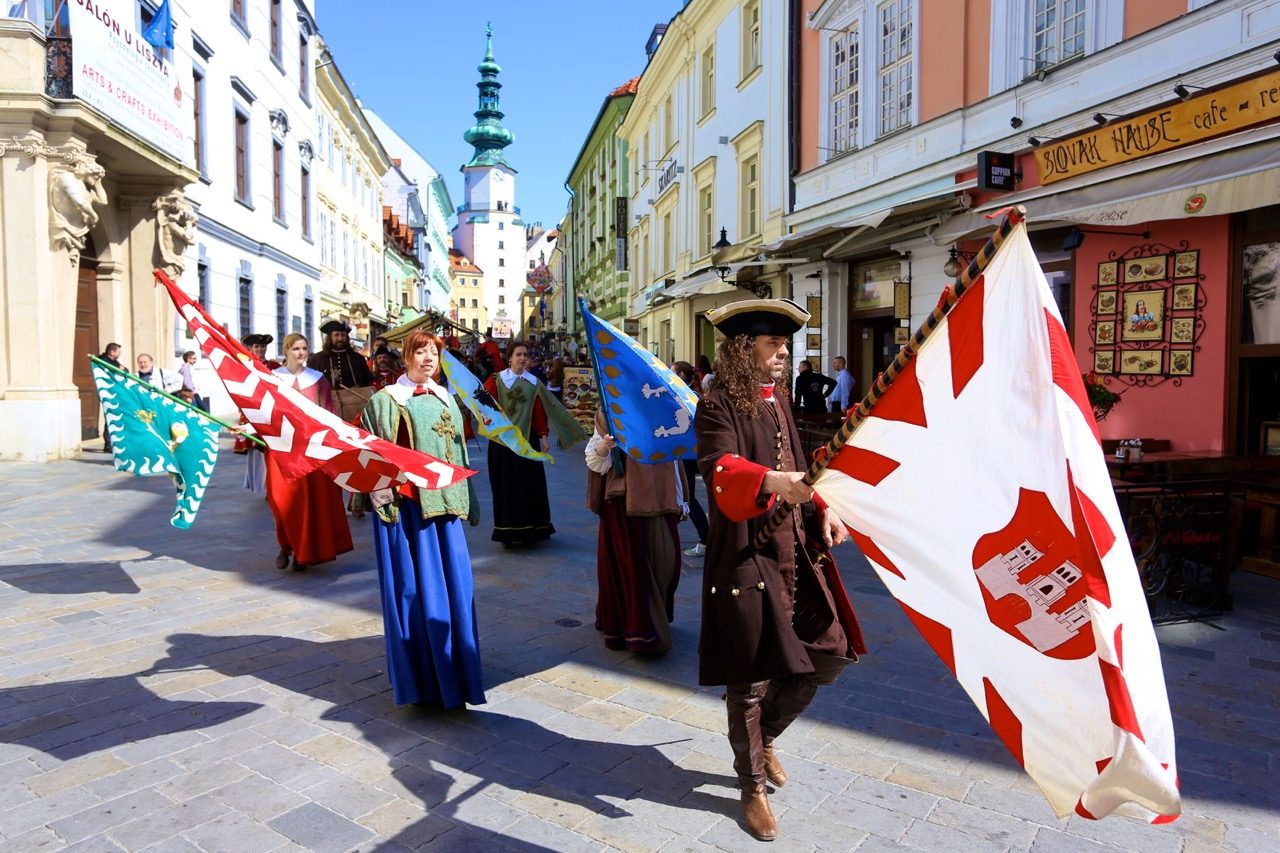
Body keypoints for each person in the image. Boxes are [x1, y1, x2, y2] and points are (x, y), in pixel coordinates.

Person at [697, 298, 865, 842]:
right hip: (746, 553)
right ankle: (752, 789)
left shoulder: (778, 403)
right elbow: (720, 468)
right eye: (773, 345)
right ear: (746, 350)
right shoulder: (717, 404)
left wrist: (823, 507)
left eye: (784, 345)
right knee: (748, 679)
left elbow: (802, 469)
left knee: (829, 655)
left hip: (795, 550)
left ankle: (764, 737)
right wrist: (773, 482)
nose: (783, 354)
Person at [358, 330, 486, 709]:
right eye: (421, 352)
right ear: (406, 356)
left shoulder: (446, 397)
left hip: (445, 512)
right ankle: (425, 681)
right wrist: (383, 499)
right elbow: (365, 452)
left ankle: (457, 670)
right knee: (415, 590)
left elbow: (461, 455)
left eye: (434, 353)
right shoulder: (385, 401)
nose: (428, 359)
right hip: (410, 513)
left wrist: (469, 501)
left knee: (456, 588)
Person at [585, 408, 687, 654]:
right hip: (623, 504)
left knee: (667, 564)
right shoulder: (611, 408)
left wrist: (680, 496)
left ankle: (654, 617)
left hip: (661, 499)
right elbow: (596, 459)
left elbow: (673, 457)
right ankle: (634, 630)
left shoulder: (664, 406)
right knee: (629, 568)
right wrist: (604, 448)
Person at [482, 339, 587, 546]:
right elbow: (483, 405)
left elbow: (540, 411)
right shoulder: (496, 380)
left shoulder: (533, 382)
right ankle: (507, 532)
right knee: (506, 486)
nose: (522, 358)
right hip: (503, 442)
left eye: (525, 355)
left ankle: (534, 529)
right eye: (518, 355)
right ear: (509, 358)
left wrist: (544, 435)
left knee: (530, 485)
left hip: (527, 440)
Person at [266, 333, 353, 571]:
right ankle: (285, 545)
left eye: (304, 348)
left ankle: (303, 551)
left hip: (311, 449)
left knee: (309, 503)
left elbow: (328, 413)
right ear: (286, 350)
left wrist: (336, 438)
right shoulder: (272, 379)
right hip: (281, 450)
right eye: (296, 348)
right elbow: (264, 413)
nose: (301, 353)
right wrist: (245, 426)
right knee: (281, 501)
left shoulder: (318, 380)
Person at [672, 361, 710, 558]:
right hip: (690, 452)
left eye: (673, 371)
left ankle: (706, 538)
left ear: (681, 375)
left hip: (687, 453)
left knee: (688, 497)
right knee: (685, 496)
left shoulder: (685, 395)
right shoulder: (691, 394)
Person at [308, 320, 374, 424]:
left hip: (354, 410)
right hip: (327, 411)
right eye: (336, 335)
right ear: (330, 337)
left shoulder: (358, 359)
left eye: (343, 335)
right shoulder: (316, 359)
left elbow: (368, 382)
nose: (340, 338)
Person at [236, 334, 279, 494]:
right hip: (252, 410)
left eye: (262, 346)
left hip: (271, 411)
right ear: (251, 349)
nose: (260, 349)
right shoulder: (244, 366)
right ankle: (261, 485)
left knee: (272, 449)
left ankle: (272, 485)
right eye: (257, 347)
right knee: (256, 449)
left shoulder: (274, 366)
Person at [98, 342, 123, 452]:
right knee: (109, 417)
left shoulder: (114, 362)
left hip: (114, 392)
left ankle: (112, 442)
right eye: (118, 352)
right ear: (112, 352)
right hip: (106, 392)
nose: (119, 354)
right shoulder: (102, 361)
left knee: (114, 416)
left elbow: (124, 370)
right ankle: (108, 444)